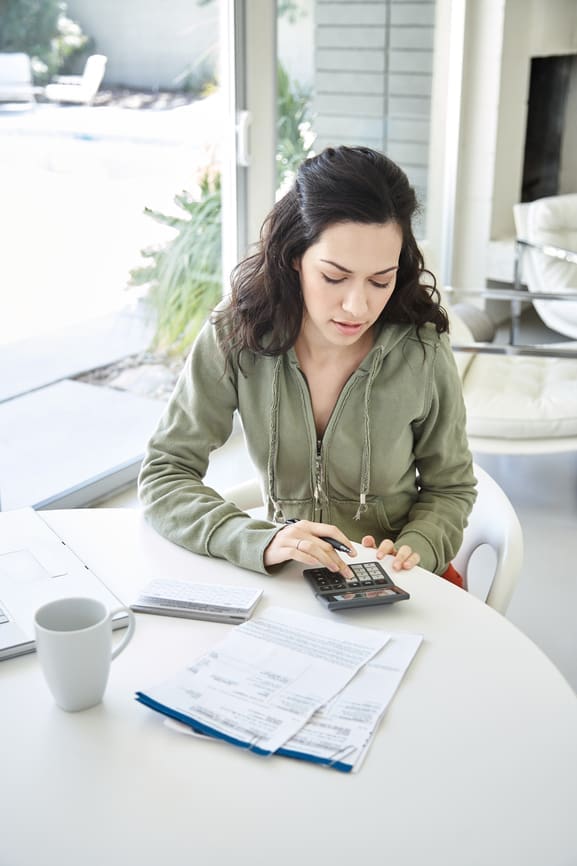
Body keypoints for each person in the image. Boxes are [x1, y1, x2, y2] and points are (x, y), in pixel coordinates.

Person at [138, 145, 477, 584]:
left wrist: (418, 548)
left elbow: (450, 487)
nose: (358, 306)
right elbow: (166, 472)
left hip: (406, 582)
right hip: (295, 579)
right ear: (295, 255)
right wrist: (251, 538)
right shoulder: (237, 334)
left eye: (381, 280)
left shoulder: (423, 352)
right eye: (334, 277)